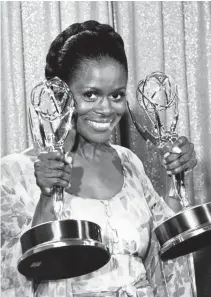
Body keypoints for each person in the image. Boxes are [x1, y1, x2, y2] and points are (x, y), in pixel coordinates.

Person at [1, 20, 197, 297]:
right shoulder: (14, 173)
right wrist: (46, 196)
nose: (106, 109)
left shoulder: (128, 162)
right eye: (90, 94)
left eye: (116, 95)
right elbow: (14, 274)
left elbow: (166, 253)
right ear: (59, 93)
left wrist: (176, 177)